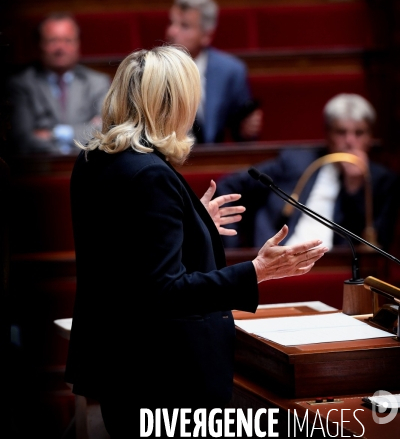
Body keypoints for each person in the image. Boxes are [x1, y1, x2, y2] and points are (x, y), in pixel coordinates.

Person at [64, 45, 327, 436]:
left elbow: (122, 252)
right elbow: (164, 291)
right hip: (162, 378)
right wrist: (257, 271)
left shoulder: (94, 161)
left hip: (119, 365)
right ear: (173, 103)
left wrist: (193, 223)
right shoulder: (151, 176)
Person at [217, 93, 399, 250]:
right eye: (341, 132)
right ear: (328, 134)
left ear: (370, 137)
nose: (350, 141)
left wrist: (354, 189)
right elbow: (229, 186)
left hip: (336, 271)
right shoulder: (296, 161)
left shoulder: (381, 181)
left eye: (359, 133)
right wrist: (233, 251)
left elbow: (376, 245)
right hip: (279, 261)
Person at [165, 0, 263, 143]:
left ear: (207, 35)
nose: (172, 31)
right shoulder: (152, 69)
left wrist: (246, 129)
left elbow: (243, 136)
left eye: (184, 26)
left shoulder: (230, 71)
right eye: (171, 23)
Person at [7, 12, 111, 155]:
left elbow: (106, 132)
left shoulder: (97, 82)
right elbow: (23, 139)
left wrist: (55, 134)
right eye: (52, 41)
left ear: (78, 44)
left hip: (89, 166)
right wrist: (85, 131)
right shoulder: (22, 84)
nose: (60, 48)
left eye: (67, 40)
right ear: (39, 44)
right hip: (41, 168)